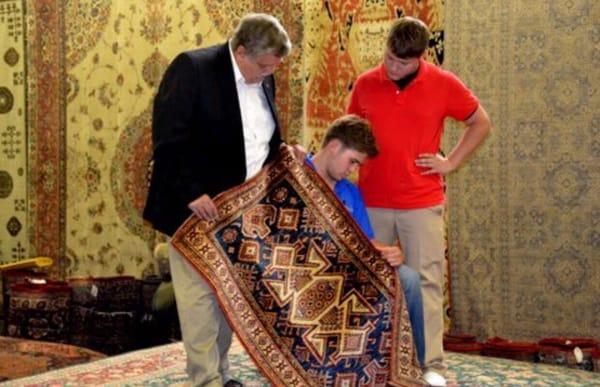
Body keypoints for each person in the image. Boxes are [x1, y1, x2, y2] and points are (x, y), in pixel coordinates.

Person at [143, 13, 291, 387]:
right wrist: (191, 191)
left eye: (273, 67)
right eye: (262, 66)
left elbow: (260, 140)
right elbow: (167, 138)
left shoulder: (263, 75)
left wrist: (284, 154)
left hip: (238, 213)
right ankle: (205, 380)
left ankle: (221, 375)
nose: (268, 73)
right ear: (240, 51)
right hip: (192, 211)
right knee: (199, 303)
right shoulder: (193, 69)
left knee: (226, 298)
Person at [347, 17, 492, 387]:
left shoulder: (444, 84)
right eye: (389, 58)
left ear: (420, 58)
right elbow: (349, 134)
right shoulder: (365, 83)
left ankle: (432, 366)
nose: (392, 67)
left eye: (401, 63)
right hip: (372, 202)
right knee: (370, 280)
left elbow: (481, 123)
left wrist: (451, 162)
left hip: (421, 202)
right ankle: (372, 358)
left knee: (426, 282)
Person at [307, 114, 425, 367]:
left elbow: (367, 241)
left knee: (409, 279)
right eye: (352, 162)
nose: (352, 170)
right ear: (334, 146)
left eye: (357, 165)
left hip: (350, 268)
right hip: (307, 271)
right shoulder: (296, 175)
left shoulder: (350, 191)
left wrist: (390, 252)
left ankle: (413, 368)